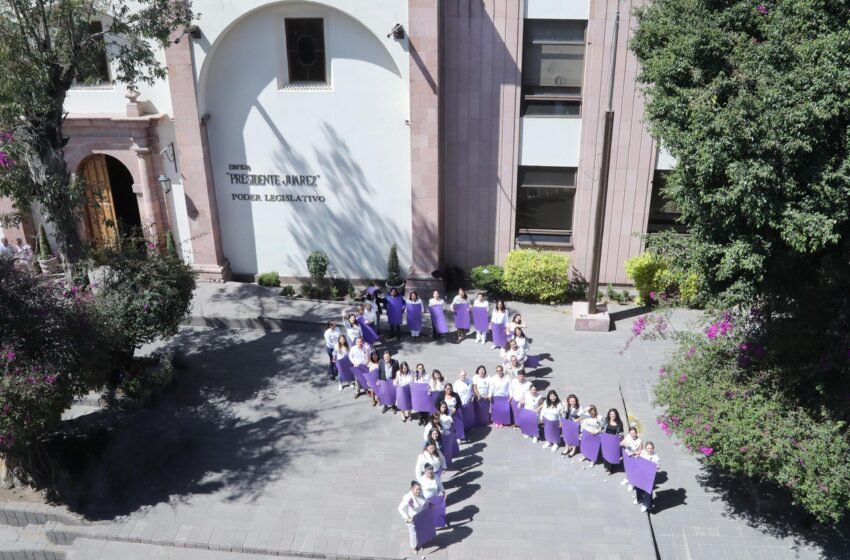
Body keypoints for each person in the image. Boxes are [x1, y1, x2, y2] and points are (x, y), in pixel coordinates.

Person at [397, 480, 429, 559]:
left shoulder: (421, 494)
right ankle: (413, 547)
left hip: (421, 517)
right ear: (412, 489)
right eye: (417, 489)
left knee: (421, 531)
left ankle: (420, 542)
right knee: (413, 534)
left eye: (419, 489)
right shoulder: (408, 498)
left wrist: (429, 504)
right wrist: (407, 518)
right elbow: (400, 508)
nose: (418, 491)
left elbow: (424, 501)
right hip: (413, 520)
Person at [634, 442, 660, 513]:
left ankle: (646, 504)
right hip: (641, 473)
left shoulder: (655, 457)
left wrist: (656, 466)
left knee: (648, 490)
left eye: (651, 448)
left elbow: (658, 466)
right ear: (646, 448)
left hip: (649, 476)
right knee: (638, 486)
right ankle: (639, 499)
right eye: (648, 448)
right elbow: (638, 456)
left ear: (653, 448)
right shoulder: (643, 452)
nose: (649, 450)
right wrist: (636, 456)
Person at [602, 408, 625, 474]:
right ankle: (606, 466)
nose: (612, 415)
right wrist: (600, 430)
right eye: (611, 414)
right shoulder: (606, 420)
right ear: (609, 415)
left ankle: (610, 468)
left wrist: (621, 440)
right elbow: (602, 427)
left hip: (614, 441)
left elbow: (621, 433)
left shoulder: (620, 423)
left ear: (616, 415)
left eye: (614, 414)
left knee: (611, 454)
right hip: (606, 440)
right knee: (606, 453)